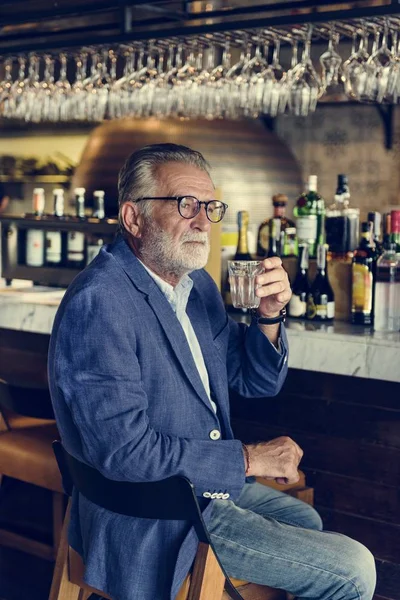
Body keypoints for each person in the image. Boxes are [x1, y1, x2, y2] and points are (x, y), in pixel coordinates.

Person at [48, 144, 376, 600]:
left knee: (306, 521)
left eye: (209, 206)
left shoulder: (194, 285)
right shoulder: (101, 301)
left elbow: (255, 381)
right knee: (355, 569)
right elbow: (123, 452)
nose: (203, 221)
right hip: (151, 512)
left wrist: (268, 316)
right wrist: (247, 459)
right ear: (133, 217)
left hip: (197, 490)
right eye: (185, 205)